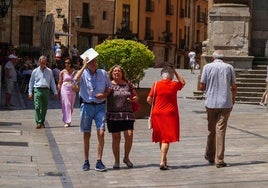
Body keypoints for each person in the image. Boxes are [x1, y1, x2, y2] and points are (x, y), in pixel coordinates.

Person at [73, 51, 111, 172]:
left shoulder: (103, 73)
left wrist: (104, 94)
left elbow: (109, 87)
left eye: (94, 61)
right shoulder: (82, 73)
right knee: (86, 134)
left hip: (100, 106)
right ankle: (86, 161)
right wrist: (83, 66)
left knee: (101, 133)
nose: (94, 63)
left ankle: (99, 161)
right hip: (87, 106)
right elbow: (75, 80)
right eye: (90, 62)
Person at [200, 50, 237, 168]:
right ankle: (219, 159)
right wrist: (233, 98)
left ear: (213, 58)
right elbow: (234, 86)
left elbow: (202, 86)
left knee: (211, 130)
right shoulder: (229, 67)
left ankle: (210, 155)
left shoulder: (207, 67)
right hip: (225, 102)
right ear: (223, 58)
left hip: (210, 103)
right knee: (220, 130)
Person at [147, 65, 185, 170]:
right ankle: (162, 161)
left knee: (161, 137)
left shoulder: (156, 84)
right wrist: (176, 71)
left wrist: (156, 105)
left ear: (161, 75)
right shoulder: (173, 84)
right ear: (171, 76)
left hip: (157, 113)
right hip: (169, 114)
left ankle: (164, 159)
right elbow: (183, 82)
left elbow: (148, 100)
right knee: (166, 139)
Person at [106, 65, 138, 169]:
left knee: (129, 135)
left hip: (127, 114)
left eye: (118, 71)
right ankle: (116, 161)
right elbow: (103, 95)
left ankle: (126, 157)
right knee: (116, 138)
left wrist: (133, 99)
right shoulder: (108, 85)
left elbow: (136, 96)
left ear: (122, 73)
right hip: (113, 115)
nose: (116, 72)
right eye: (115, 71)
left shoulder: (128, 84)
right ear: (111, 73)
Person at [28, 55, 58, 129]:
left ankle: (42, 121)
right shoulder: (35, 71)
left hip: (46, 90)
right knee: (37, 106)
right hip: (37, 89)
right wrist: (30, 92)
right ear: (39, 62)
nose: (43, 65)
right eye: (42, 63)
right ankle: (38, 122)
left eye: (44, 63)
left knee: (44, 107)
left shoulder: (49, 71)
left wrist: (55, 92)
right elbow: (31, 82)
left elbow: (52, 82)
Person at [57, 58, 77, 127]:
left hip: (72, 89)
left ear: (70, 63)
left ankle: (68, 119)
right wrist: (57, 91)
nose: (67, 64)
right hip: (64, 88)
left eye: (68, 63)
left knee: (71, 105)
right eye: (65, 63)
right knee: (66, 104)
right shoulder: (62, 72)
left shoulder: (74, 71)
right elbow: (59, 83)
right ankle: (67, 121)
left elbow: (77, 80)